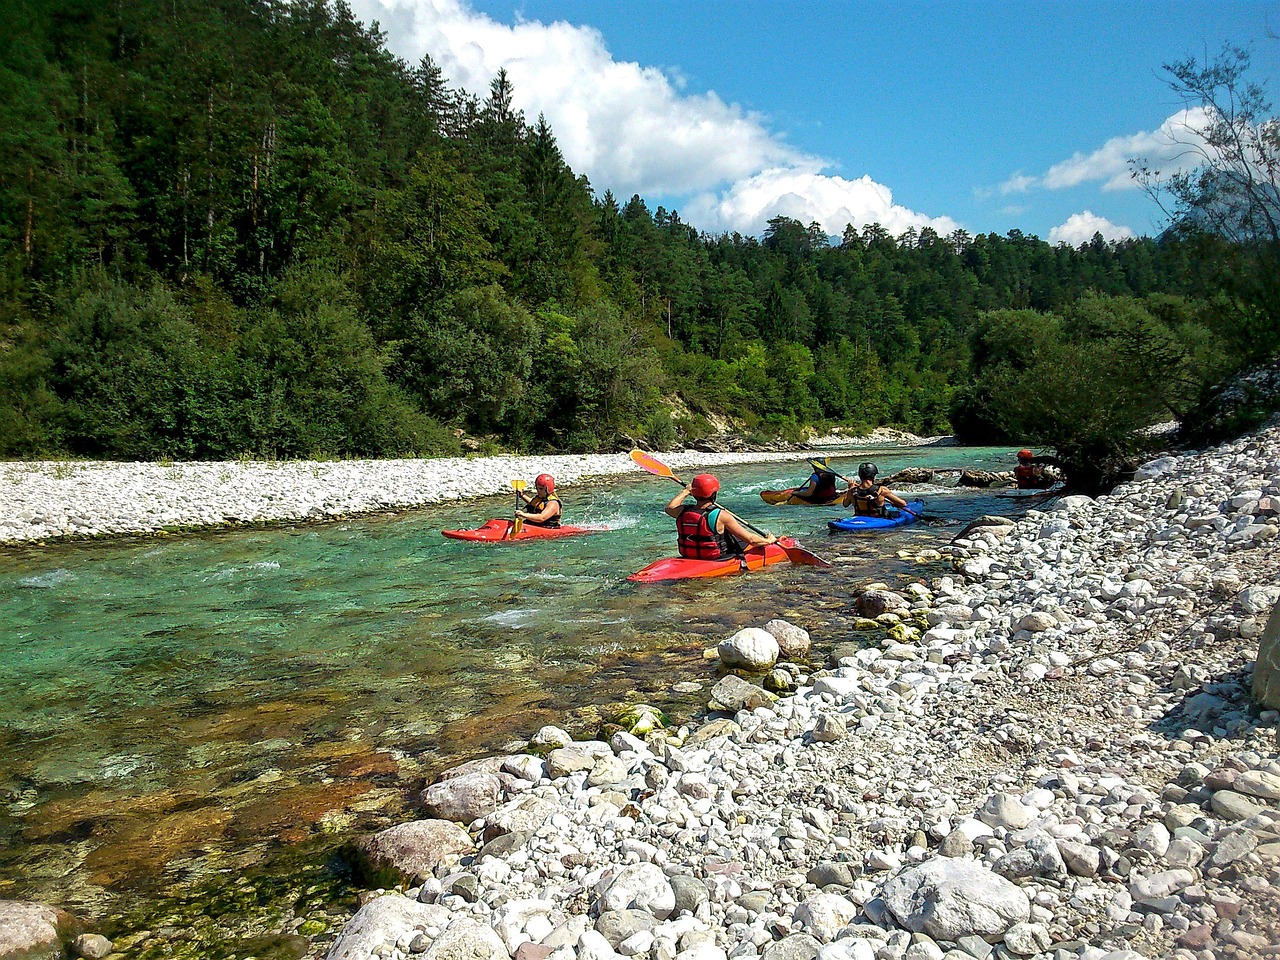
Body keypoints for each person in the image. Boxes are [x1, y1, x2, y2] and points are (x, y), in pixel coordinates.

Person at [665, 473, 777, 559]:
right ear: (714, 494)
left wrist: (685, 492)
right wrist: (769, 541)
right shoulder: (721, 515)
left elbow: (669, 508)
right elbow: (751, 540)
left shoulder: (683, 511)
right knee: (739, 539)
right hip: (714, 558)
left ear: (693, 493)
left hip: (689, 556)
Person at [845, 462, 911, 517]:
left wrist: (850, 487)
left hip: (859, 518)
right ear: (873, 476)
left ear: (860, 475)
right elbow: (903, 504)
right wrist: (894, 503)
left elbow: (845, 504)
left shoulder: (852, 491)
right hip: (877, 519)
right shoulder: (882, 490)